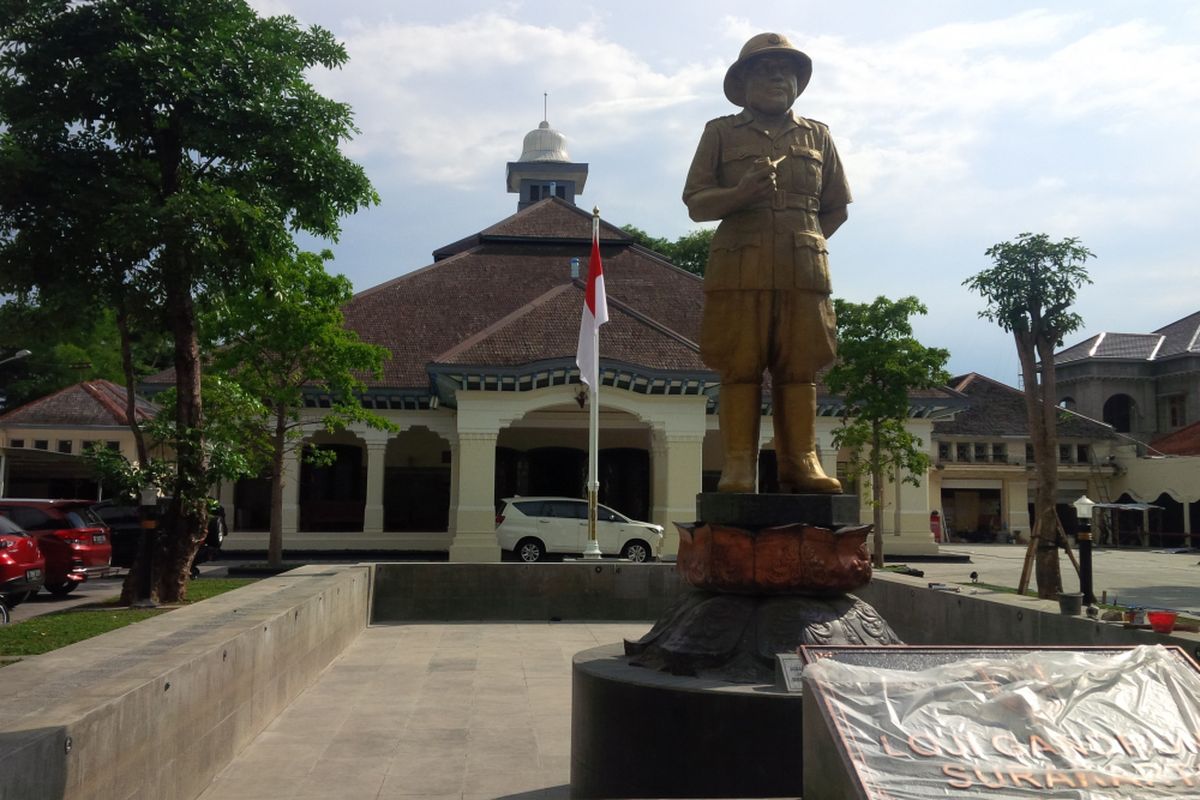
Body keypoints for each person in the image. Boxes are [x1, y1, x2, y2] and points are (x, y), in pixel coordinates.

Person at [683, 32, 851, 494]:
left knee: (799, 369)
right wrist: (739, 197)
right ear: (743, 81)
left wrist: (804, 242)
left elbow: (836, 208)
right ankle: (739, 466)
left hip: (803, 273)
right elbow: (696, 202)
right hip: (739, 269)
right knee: (739, 366)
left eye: (787, 70)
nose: (778, 76)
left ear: (798, 82)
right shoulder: (720, 132)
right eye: (765, 69)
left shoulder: (818, 135)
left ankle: (801, 461)